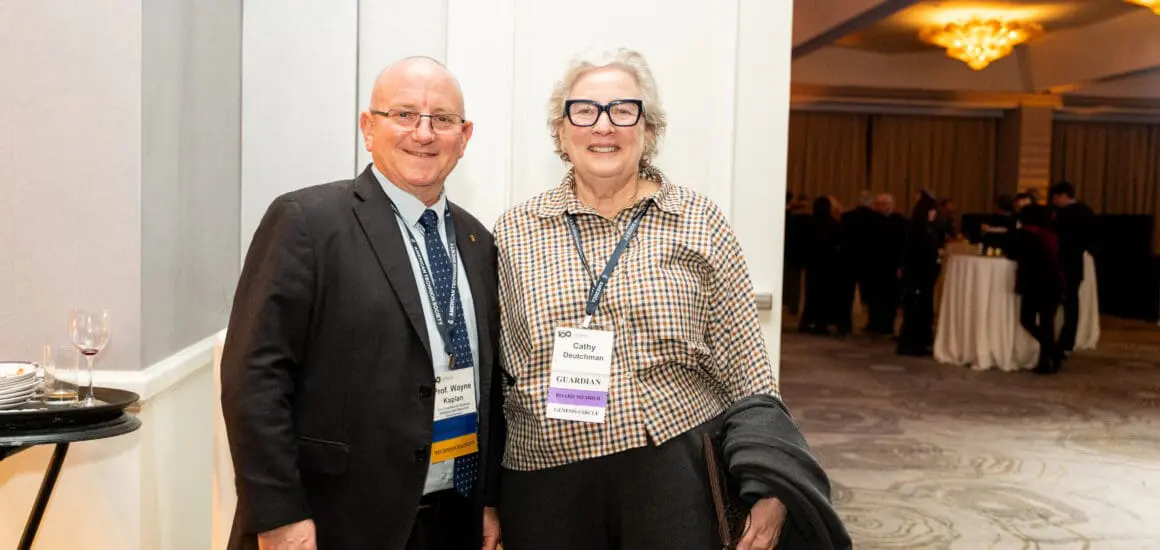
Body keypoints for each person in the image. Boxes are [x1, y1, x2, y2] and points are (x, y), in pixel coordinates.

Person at [493, 48, 849, 550]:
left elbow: (746, 365)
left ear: (650, 131)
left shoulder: (698, 221)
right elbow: (495, 374)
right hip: (546, 476)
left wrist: (774, 484)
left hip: (671, 472)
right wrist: (484, 495)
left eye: (623, 110)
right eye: (585, 110)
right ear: (560, 131)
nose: (604, 126)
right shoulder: (514, 231)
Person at [220, 57, 504, 550]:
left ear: (465, 136)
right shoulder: (306, 222)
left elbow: (490, 383)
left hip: (449, 519)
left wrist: (487, 500)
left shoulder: (478, 241)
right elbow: (254, 379)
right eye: (404, 114)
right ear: (368, 128)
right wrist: (279, 516)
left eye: (442, 119)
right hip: (333, 520)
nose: (424, 132)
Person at [1007, 204, 1064, 374]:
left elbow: (1011, 253)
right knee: (1047, 322)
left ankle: (1050, 356)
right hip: (1053, 281)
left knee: (1027, 320)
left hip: (1035, 283)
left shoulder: (1023, 234)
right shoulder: (1048, 234)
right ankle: (1050, 357)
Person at [1050, 180, 1097, 356]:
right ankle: (1066, 342)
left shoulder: (1064, 215)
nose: (1054, 202)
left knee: (1062, 303)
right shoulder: (1086, 211)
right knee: (1071, 304)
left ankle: (1057, 341)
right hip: (1076, 263)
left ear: (1062, 196)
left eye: (1055, 198)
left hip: (1063, 262)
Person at [896, 191, 941, 356]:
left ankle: (917, 341)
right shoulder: (920, 229)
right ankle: (911, 343)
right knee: (915, 309)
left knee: (919, 309)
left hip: (920, 275)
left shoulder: (923, 228)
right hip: (917, 275)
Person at [799, 196, 843, 336]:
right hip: (828, 266)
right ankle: (821, 323)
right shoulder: (833, 224)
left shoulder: (809, 223)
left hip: (812, 264)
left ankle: (806, 321)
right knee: (825, 295)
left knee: (811, 294)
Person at [867, 193, 906, 335]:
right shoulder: (871, 221)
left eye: (882, 204)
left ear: (890, 205)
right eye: (877, 204)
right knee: (874, 295)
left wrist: (901, 265)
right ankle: (873, 322)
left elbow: (903, 245)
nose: (879, 207)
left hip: (892, 264)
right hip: (875, 264)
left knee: (890, 296)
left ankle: (887, 324)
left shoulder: (899, 221)